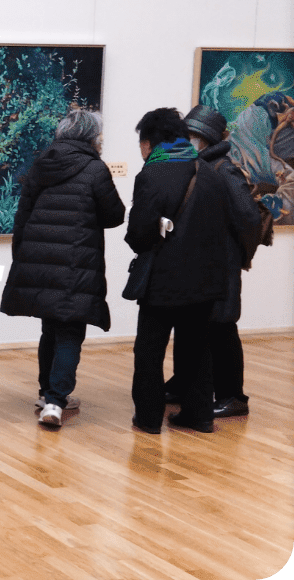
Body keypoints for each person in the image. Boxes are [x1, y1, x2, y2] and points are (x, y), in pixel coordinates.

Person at [0, 109, 126, 427]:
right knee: (70, 331)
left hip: (39, 260)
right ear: (91, 136)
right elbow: (115, 215)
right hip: (76, 262)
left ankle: (46, 393)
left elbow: (22, 215)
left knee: (50, 329)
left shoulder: (42, 164)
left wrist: (22, 258)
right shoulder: (96, 169)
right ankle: (56, 402)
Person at [125, 108, 229, 434]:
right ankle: (199, 416)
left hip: (163, 281)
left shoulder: (153, 174)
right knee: (197, 350)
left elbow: (139, 232)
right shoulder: (211, 173)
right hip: (206, 280)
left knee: (149, 351)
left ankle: (149, 418)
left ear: (151, 141)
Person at [162, 106, 262, 418]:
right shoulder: (197, 166)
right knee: (192, 326)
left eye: (194, 136)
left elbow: (248, 218)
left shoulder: (223, 169)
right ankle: (183, 383)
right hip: (196, 262)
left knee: (221, 328)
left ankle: (233, 395)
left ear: (206, 139)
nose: (188, 141)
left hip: (220, 263)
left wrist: (241, 256)